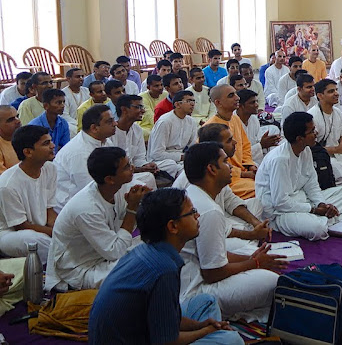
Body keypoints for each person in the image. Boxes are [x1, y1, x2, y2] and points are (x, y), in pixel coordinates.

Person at [89, 188, 244, 345]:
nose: (198, 216)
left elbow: (165, 317)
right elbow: (166, 342)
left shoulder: (147, 250)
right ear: (173, 227)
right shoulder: (163, 270)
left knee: (206, 301)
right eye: (192, 213)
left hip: (141, 330)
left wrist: (199, 326)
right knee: (232, 340)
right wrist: (205, 331)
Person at [180, 142, 284, 322]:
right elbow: (212, 274)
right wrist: (255, 264)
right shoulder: (208, 210)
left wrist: (252, 259)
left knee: (256, 260)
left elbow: (213, 254)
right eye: (226, 162)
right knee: (272, 281)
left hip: (193, 278)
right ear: (211, 169)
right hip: (196, 293)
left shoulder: (194, 194)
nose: (230, 167)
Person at [45, 147, 150, 291]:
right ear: (110, 179)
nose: (132, 168)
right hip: (79, 269)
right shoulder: (86, 208)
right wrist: (131, 209)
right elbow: (115, 252)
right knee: (141, 269)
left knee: (156, 247)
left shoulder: (118, 189)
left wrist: (144, 203)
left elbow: (127, 228)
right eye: (126, 167)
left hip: (104, 255)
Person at [256, 112, 342, 240]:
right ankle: (323, 220)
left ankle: (324, 218)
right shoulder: (280, 160)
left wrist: (321, 204)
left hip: (303, 201)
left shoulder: (306, 150)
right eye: (312, 131)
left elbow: (312, 183)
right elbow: (280, 203)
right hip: (279, 213)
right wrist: (314, 209)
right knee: (317, 229)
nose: (316, 133)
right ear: (300, 138)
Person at [0, 125, 56, 262]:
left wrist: (60, 229)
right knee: (34, 241)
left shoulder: (50, 169)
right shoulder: (7, 184)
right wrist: (56, 233)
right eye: (46, 143)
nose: (53, 146)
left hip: (42, 229)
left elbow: (50, 209)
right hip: (11, 234)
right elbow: (20, 225)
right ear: (28, 152)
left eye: (51, 141)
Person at [54, 105, 117, 212]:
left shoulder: (105, 141)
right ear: (94, 128)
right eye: (109, 122)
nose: (115, 124)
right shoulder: (79, 152)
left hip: (97, 192)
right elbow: (89, 189)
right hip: (72, 203)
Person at [205, 85, 256, 199]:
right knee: (262, 189)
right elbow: (213, 165)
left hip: (243, 172)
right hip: (226, 180)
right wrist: (242, 173)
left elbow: (245, 146)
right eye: (231, 95)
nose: (237, 98)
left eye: (236, 94)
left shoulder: (235, 119)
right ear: (218, 102)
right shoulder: (211, 128)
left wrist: (250, 165)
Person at [110, 95, 169, 185]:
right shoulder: (111, 133)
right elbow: (114, 167)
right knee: (147, 178)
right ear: (124, 110)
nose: (143, 110)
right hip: (117, 177)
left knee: (170, 166)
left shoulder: (137, 129)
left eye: (142, 107)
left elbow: (139, 157)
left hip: (134, 171)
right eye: (138, 107)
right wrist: (139, 169)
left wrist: (146, 165)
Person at [147, 90, 198, 178]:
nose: (192, 104)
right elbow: (156, 154)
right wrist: (182, 157)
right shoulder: (165, 121)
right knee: (172, 166)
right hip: (161, 161)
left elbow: (193, 146)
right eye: (189, 101)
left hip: (181, 159)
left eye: (193, 101)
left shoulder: (191, 121)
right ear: (177, 104)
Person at [236, 90, 280, 166]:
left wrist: (267, 143)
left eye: (257, 101)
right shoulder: (233, 122)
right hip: (240, 162)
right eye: (252, 102)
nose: (257, 105)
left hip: (255, 156)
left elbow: (256, 141)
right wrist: (261, 145)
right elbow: (238, 154)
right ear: (240, 106)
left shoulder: (253, 119)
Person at [28, 89, 70, 153]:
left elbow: (65, 148)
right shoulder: (34, 126)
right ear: (46, 106)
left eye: (63, 102)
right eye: (58, 103)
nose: (62, 105)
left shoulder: (63, 123)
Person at [61, 68, 89, 138]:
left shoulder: (87, 91)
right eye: (77, 77)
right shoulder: (63, 94)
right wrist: (79, 123)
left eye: (82, 76)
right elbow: (64, 115)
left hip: (88, 121)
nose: (81, 79)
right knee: (71, 130)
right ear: (68, 79)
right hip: (72, 123)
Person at [139, 74, 167, 140]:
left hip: (164, 122)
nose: (160, 88)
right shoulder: (142, 98)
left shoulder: (165, 94)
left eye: (161, 85)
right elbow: (150, 117)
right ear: (148, 87)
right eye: (156, 86)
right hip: (146, 125)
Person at [0, 106, 20, 174]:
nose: (18, 121)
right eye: (11, 120)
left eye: (17, 116)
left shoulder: (25, 137)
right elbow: (4, 177)